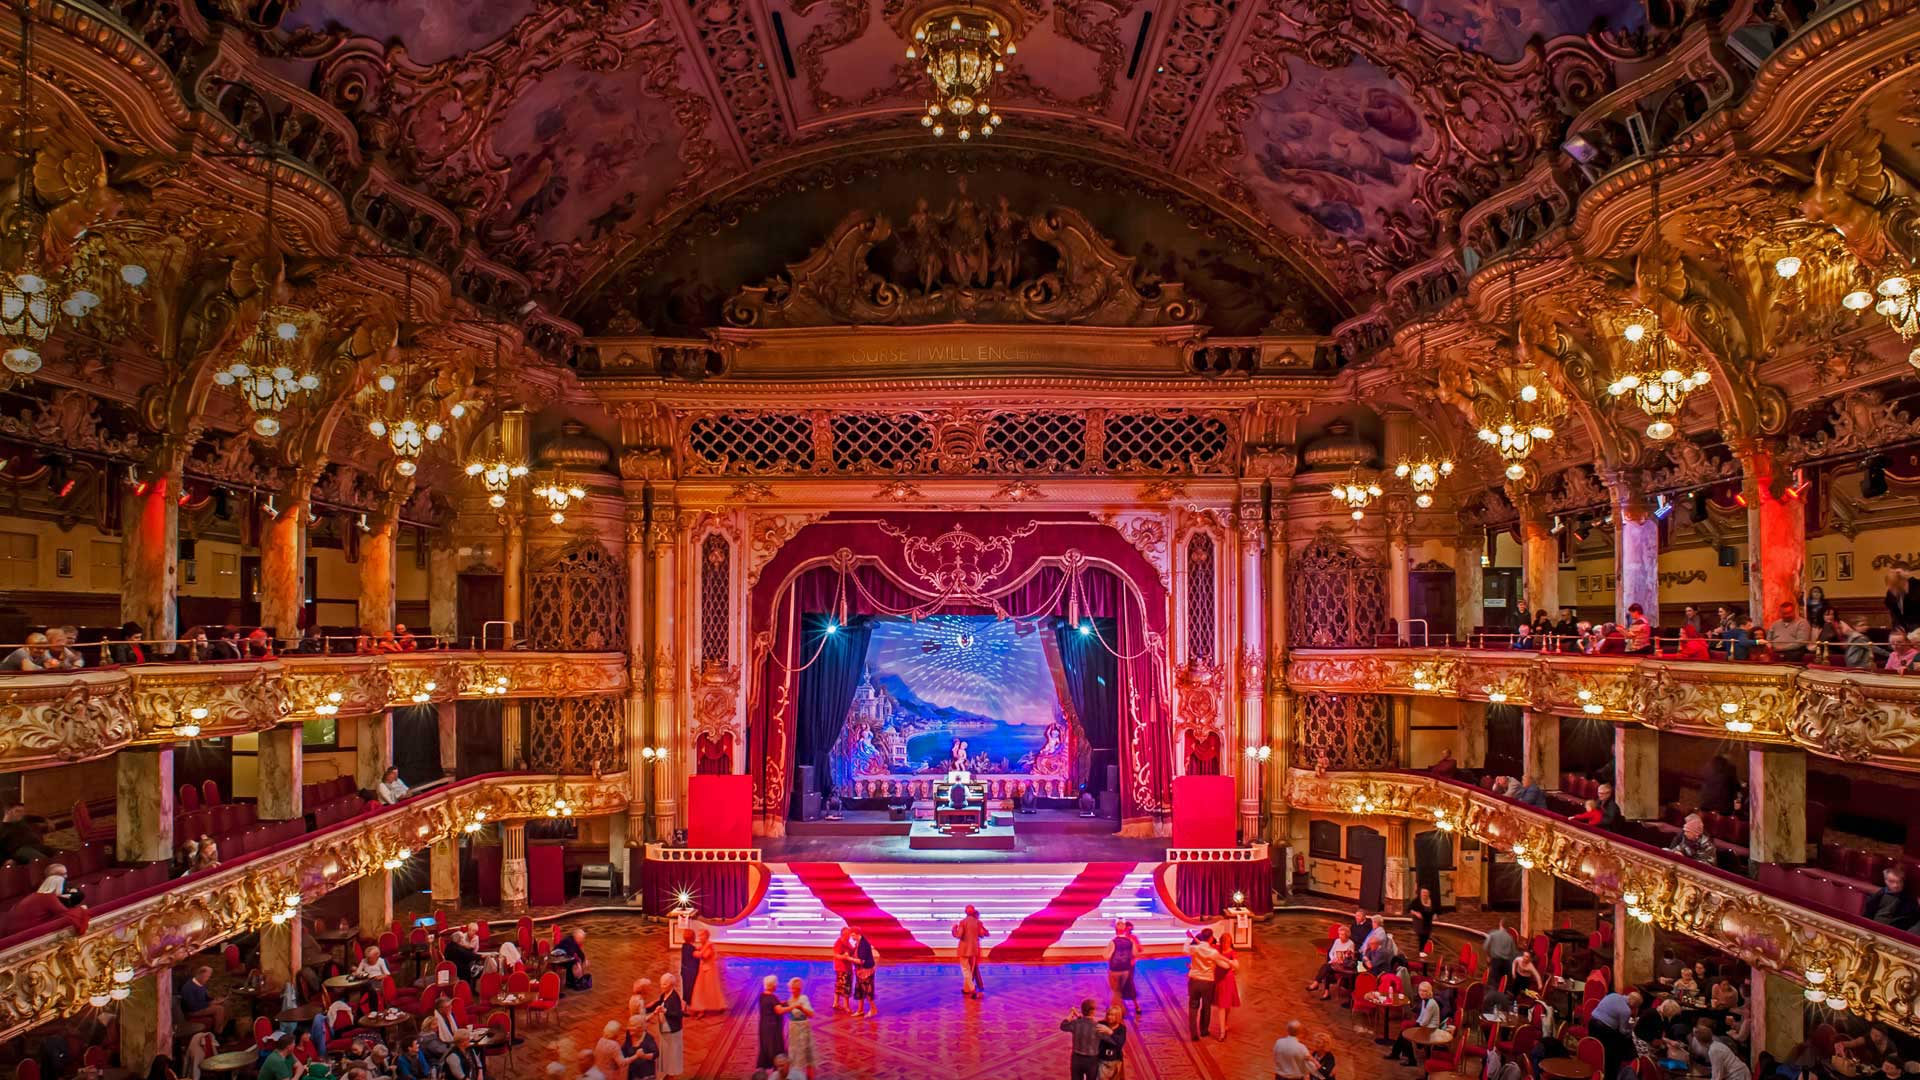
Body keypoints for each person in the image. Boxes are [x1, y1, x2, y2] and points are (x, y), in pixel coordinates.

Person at [1183, 927, 1232, 1042]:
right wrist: (1230, 964)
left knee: (1193, 1007)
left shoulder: (1195, 949)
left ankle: (1194, 1033)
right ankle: (1204, 1030)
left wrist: (1188, 939)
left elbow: (1185, 950)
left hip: (1194, 981)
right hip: (1207, 982)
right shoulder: (1213, 952)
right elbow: (1224, 965)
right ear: (1210, 938)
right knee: (1206, 1007)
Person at [1387, 981, 1444, 1066]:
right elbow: (1421, 1017)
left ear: (1429, 992)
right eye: (1420, 990)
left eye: (1424, 991)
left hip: (1430, 1030)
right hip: (1424, 1026)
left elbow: (1425, 1022)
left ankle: (1411, 1060)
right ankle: (1395, 1054)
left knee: (1406, 1035)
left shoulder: (1431, 1003)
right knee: (1403, 1032)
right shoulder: (1425, 1001)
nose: (1421, 993)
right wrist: (1415, 1025)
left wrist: (1414, 1028)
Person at [1307, 924, 1355, 1001]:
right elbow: (1331, 952)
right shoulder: (1337, 941)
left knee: (1326, 967)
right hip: (1334, 961)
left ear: (1347, 935)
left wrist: (1340, 960)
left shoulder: (1351, 943)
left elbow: (1350, 957)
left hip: (1342, 964)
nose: (1340, 936)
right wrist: (1333, 959)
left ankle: (1316, 983)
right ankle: (1326, 993)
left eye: (1342, 934)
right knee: (1327, 970)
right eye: (1339, 934)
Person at [1863, 865, 1920, 929]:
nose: (1896, 885)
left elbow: (1912, 920)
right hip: (1873, 928)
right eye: (1891, 881)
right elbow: (1867, 914)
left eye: (1899, 881)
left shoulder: (1910, 901)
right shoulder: (1879, 895)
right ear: (1885, 881)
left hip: (1894, 933)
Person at [779, 977, 815, 1077]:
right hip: (793, 1030)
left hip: (803, 1030)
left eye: (793, 988)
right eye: (791, 988)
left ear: (799, 989)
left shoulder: (803, 999)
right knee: (794, 1054)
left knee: (805, 1054)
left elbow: (811, 1014)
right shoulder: (790, 998)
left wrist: (801, 1008)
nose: (791, 990)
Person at [178, 964, 228, 1035]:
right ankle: (218, 1033)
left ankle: (221, 1027)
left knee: (223, 1004)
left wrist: (215, 1000)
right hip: (192, 1011)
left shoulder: (201, 983)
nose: (208, 979)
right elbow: (192, 1006)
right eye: (207, 976)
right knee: (219, 1009)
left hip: (201, 1006)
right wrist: (210, 1003)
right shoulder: (188, 988)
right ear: (200, 974)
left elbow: (205, 997)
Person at [652, 972, 685, 1080]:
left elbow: (678, 1014)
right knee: (666, 1052)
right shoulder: (664, 995)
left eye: (664, 984)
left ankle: (672, 1075)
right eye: (661, 984)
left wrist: (666, 1011)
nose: (662, 986)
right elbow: (659, 1003)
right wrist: (650, 1008)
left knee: (672, 1053)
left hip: (673, 1031)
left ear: (671, 985)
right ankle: (667, 1072)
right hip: (665, 1029)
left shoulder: (674, 998)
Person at [1105, 919, 1140, 1016]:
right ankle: (1120, 1010)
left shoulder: (1113, 942)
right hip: (1126, 969)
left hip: (1115, 969)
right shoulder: (1130, 941)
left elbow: (1107, 956)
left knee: (1116, 991)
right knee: (1120, 990)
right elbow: (1135, 953)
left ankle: (1117, 1013)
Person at [1061, 998, 1103, 1080]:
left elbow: (1063, 1026)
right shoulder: (1098, 1027)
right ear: (1093, 1011)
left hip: (1077, 1058)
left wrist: (1071, 1015)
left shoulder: (1076, 1023)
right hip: (1091, 1060)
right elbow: (1111, 1040)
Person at [686, 928, 725, 1013]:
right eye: (699, 935)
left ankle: (715, 1006)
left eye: (701, 935)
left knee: (709, 989)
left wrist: (701, 950)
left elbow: (704, 956)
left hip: (709, 971)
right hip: (702, 970)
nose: (699, 938)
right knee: (701, 989)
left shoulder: (709, 946)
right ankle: (701, 1008)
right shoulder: (705, 945)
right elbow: (698, 952)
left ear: (706, 936)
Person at [953, 903, 989, 997]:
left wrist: (954, 930)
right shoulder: (978, 922)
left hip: (964, 949)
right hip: (974, 950)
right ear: (973, 912)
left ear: (965, 912)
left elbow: (959, 935)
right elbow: (981, 935)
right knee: (970, 970)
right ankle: (966, 989)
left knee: (966, 970)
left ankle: (972, 989)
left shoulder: (963, 922)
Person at [1213, 934, 1240, 1039]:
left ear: (1230, 942)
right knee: (1221, 1006)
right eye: (1223, 942)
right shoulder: (1217, 949)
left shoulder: (1232, 953)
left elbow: (1236, 965)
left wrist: (1229, 962)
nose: (1225, 944)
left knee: (1226, 1005)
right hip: (1219, 980)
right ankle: (1222, 1032)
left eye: (1227, 942)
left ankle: (1225, 1022)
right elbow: (1205, 947)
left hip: (1228, 980)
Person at [754, 975, 784, 1070]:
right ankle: (778, 1069)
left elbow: (773, 1006)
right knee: (774, 1047)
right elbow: (779, 1011)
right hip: (772, 1027)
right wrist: (793, 1006)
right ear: (773, 985)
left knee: (765, 1046)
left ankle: (763, 1069)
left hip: (763, 1026)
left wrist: (784, 1003)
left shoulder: (762, 996)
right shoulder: (772, 998)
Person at [1094, 1002, 1127, 1080]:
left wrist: (1110, 1032)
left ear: (1118, 1016)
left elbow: (1120, 1043)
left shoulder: (1121, 1029)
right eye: (1108, 1014)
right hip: (1101, 1059)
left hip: (1115, 1060)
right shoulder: (1101, 1024)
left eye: (1112, 1015)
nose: (1109, 1017)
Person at [850, 928, 878, 1017]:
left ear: (857, 934)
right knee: (860, 990)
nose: (851, 937)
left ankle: (873, 1009)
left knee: (868, 990)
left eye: (853, 935)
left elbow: (861, 961)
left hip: (866, 972)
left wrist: (849, 959)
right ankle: (860, 1010)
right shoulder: (858, 942)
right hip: (860, 971)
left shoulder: (863, 944)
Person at [620, 1014, 657, 1080]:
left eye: (632, 1025)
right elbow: (625, 1049)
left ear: (640, 1028)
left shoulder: (648, 1039)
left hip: (645, 1075)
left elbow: (656, 1054)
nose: (628, 1027)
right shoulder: (629, 1035)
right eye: (629, 1025)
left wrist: (644, 1056)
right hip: (633, 1073)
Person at [1483, 919, 1518, 987]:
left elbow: (1485, 946)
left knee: (1493, 983)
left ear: (1500, 924)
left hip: (1495, 962)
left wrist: (1488, 956)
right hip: (1506, 964)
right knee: (1503, 984)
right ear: (1508, 927)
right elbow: (1513, 953)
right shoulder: (1510, 938)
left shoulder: (1493, 934)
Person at [830, 926, 855, 1012]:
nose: (850, 936)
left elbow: (850, 951)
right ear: (844, 934)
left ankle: (836, 1003)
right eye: (848, 934)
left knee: (839, 985)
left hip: (846, 967)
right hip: (842, 967)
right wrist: (844, 957)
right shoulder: (839, 942)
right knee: (845, 987)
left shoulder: (847, 942)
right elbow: (836, 955)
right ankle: (846, 1006)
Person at [1406, 887, 1436, 955]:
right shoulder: (1417, 901)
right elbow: (1409, 909)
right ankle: (1421, 951)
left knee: (1427, 935)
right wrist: (1416, 913)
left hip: (1428, 921)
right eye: (1423, 893)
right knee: (1421, 935)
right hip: (1419, 922)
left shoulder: (1431, 901)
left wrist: (1434, 914)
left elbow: (1434, 910)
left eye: (1426, 893)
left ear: (1429, 893)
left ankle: (1424, 950)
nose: (1424, 894)